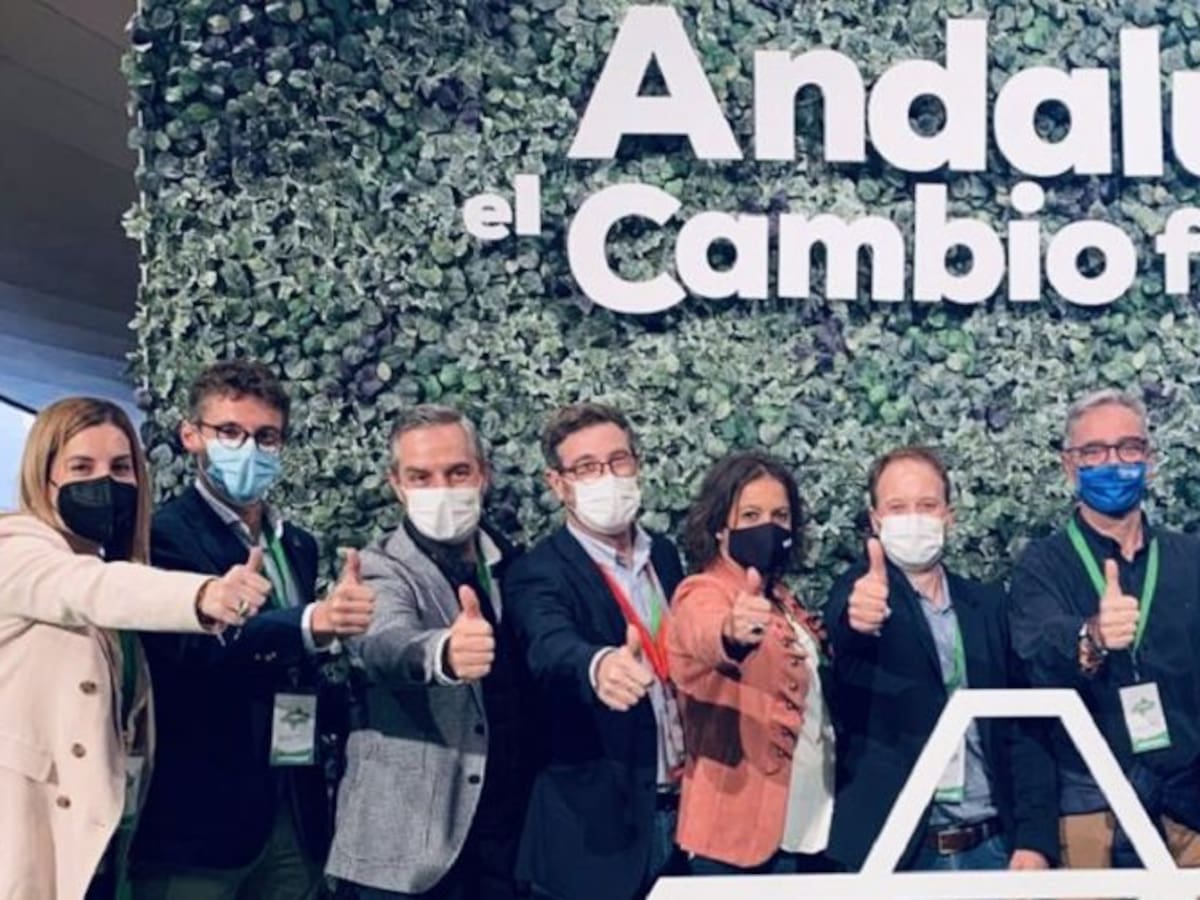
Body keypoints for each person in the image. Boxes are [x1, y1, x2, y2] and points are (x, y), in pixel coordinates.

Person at [0, 396, 268, 900]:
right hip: (26, 838)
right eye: (82, 467)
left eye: (121, 468)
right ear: (44, 475)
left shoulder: (111, 567)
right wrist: (203, 595)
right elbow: (88, 588)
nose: (105, 483)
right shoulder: (15, 550)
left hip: (103, 842)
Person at [130, 361, 375, 900]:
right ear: (191, 435)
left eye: (266, 436)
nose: (249, 449)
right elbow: (191, 652)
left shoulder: (297, 544)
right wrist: (311, 622)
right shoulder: (161, 538)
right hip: (200, 818)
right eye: (229, 432)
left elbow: (291, 660)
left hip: (292, 802)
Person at [326, 405, 528, 899]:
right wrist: (444, 655)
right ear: (396, 484)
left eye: (457, 472)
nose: (441, 489)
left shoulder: (512, 563)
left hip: (506, 839)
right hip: (409, 848)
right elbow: (384, 642)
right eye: (421, 477)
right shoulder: (379, 568)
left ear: (482, 474)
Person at [825, 446, 1057, 873]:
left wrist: (1035, 841)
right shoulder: (859, 593)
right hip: (897, 855)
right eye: (898, 508)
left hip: (993, 846)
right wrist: (858, 617)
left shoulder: (987, 606)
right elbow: (844, 630)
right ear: (875, 520)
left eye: (927, 505)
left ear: (949, 515)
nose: (913, 519)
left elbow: (1022, 727)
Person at [504, 401, 687, 900]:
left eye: (618, 460)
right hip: (594, 835)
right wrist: (597, 664)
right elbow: (548, 646)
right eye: (586, 467)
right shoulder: (537, 572)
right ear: (557, 483)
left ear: (636, 465)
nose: (607, 477)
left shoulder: (664, 555)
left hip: (681, 813)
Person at [1010, 389, 1200, 868]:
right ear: (1069, 466)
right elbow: (1038, 653)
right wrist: (1092, 636)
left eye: (1128, 448)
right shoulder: (1041, 566)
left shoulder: (1190, 559)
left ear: (1149, 459)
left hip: (1190, 811)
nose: (1113, 463)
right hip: (1092, 816)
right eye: (1093, 451)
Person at [668, 450, 836, 874]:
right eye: (751, 515)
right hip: (737, 838)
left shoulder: (781, 598)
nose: (768, 526)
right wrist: (731, 632)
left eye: (780, 516)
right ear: (720, 527)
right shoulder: (701, 592)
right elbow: (704, 632)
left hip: (805, 828)